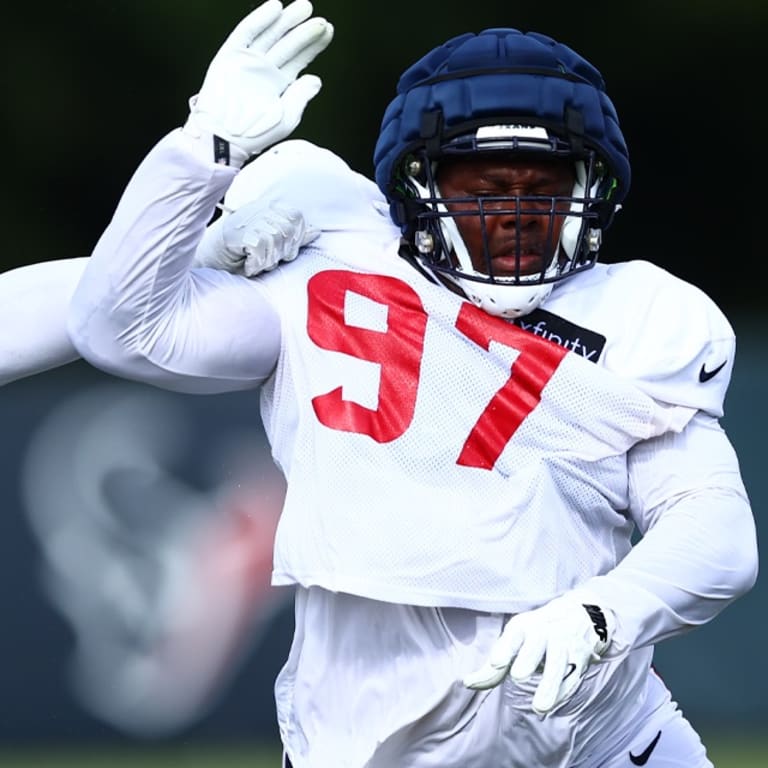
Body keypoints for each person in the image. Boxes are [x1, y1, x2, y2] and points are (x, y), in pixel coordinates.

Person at [62, 0, 757, 766]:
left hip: (603, 735)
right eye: (481, 183)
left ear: (592, 190)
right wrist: (202, 159)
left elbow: (714, 530)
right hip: (366, 743)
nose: (514, 211)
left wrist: (602, 613)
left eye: (542, 184)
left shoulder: (639, 315)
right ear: (418, 186)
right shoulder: (328, 271)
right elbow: (115, 327)